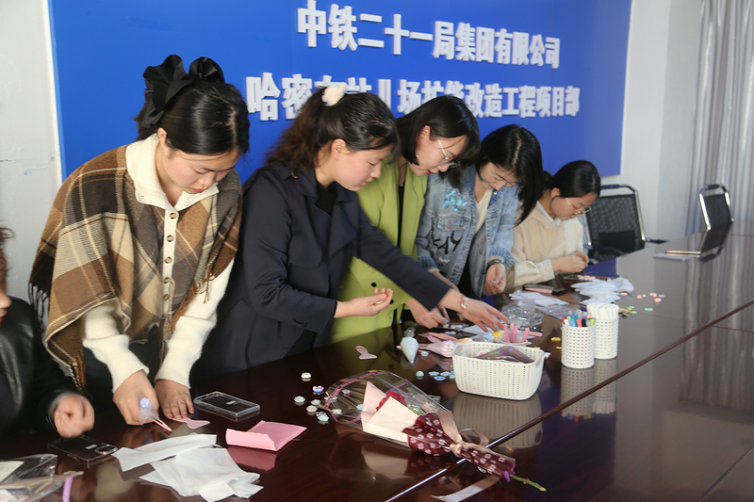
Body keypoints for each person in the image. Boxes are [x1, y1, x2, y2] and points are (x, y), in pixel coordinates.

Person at [195, 84, 506, 380]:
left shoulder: (341, 196)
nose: (376, 173)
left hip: (304, 351)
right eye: (372, 163)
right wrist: (345, 309)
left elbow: (387, 257)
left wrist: (461, 303)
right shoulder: (272, 191)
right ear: (339, 148)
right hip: (251, 356)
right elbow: (267, 293)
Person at [28, 55, 249, 425]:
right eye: (200, 170)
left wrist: (175, 370)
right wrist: (124, 369)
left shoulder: (226, 189)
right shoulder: (95, 183)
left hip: (177, 347)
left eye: (223, 170)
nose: (209, 183)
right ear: (164, 138)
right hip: (97, 352)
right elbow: (86, 296)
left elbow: (208, 293)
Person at [331, 96, 481, 342]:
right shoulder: (370, 168)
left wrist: (432, 282)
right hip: (352, 311)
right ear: (424, 132)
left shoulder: (417, 173)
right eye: (446, 155)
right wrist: (412, 296)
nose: (444, 168)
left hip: (388, 316)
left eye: (452, 162)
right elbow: (364, 248)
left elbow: (406, 248)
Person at [416, 124, 544, 299]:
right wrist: (432, 275)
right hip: (428, 288)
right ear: (485, 156)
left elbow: (504, 227)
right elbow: (417, 241)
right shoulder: (443, 179)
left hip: (472, 290)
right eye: (498, 176)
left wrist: (497, 261)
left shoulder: (508, 190)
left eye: (510, 183)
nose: (500, 187)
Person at [0, 227, 94, 442]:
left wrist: (60, 404)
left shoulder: (18, 321)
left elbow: (46, 390)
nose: (4, 300)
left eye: (2, 279)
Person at [507, 160, 601, 289]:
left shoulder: (572, 221)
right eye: (576, 207)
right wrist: (555, 265)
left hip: (558, 293)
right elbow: (509, 277)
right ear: (556, 192)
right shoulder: (519, 219)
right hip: (522, 297)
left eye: (584, 209)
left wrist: (576, 262)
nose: (578, 214)